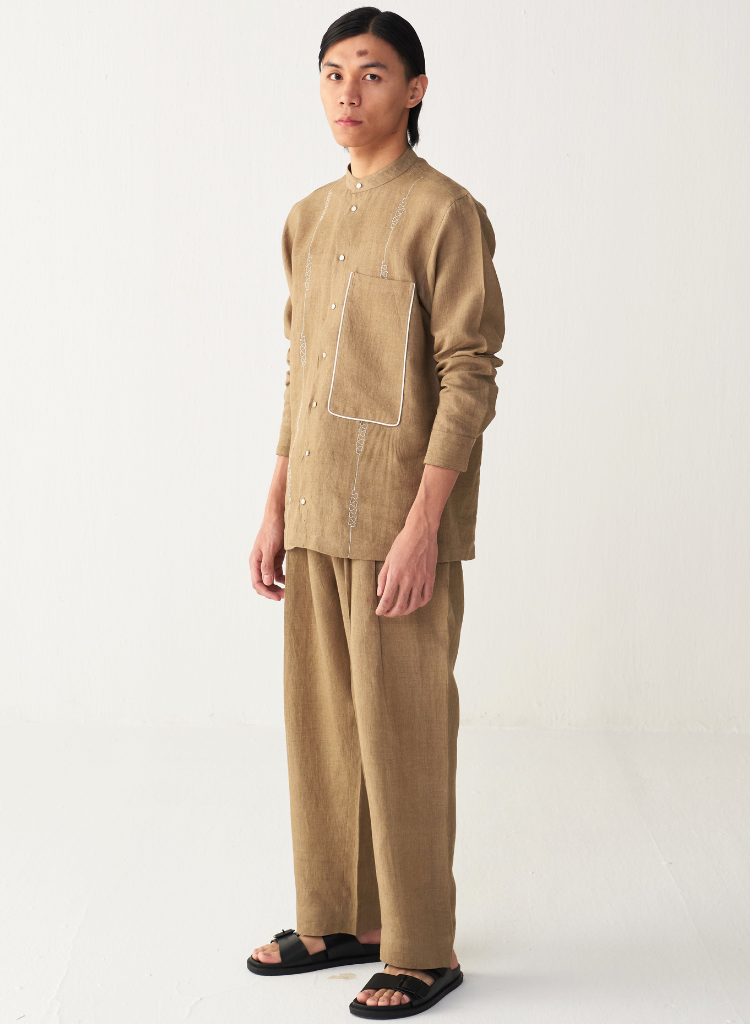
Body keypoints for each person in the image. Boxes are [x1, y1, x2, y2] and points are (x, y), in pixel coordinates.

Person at [247, 7, 504, 1017]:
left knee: (403, 732)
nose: (348, 91)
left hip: (401, 515)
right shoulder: (307, 218)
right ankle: (340, 919)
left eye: (372, 72)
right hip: (316, 507)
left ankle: (421, 946)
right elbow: (301, 369)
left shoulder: (446, 213)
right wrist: (274, 505)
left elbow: (469, 373)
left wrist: (424, 525)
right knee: (321, 729)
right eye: (332, 73)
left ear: (415, 90)